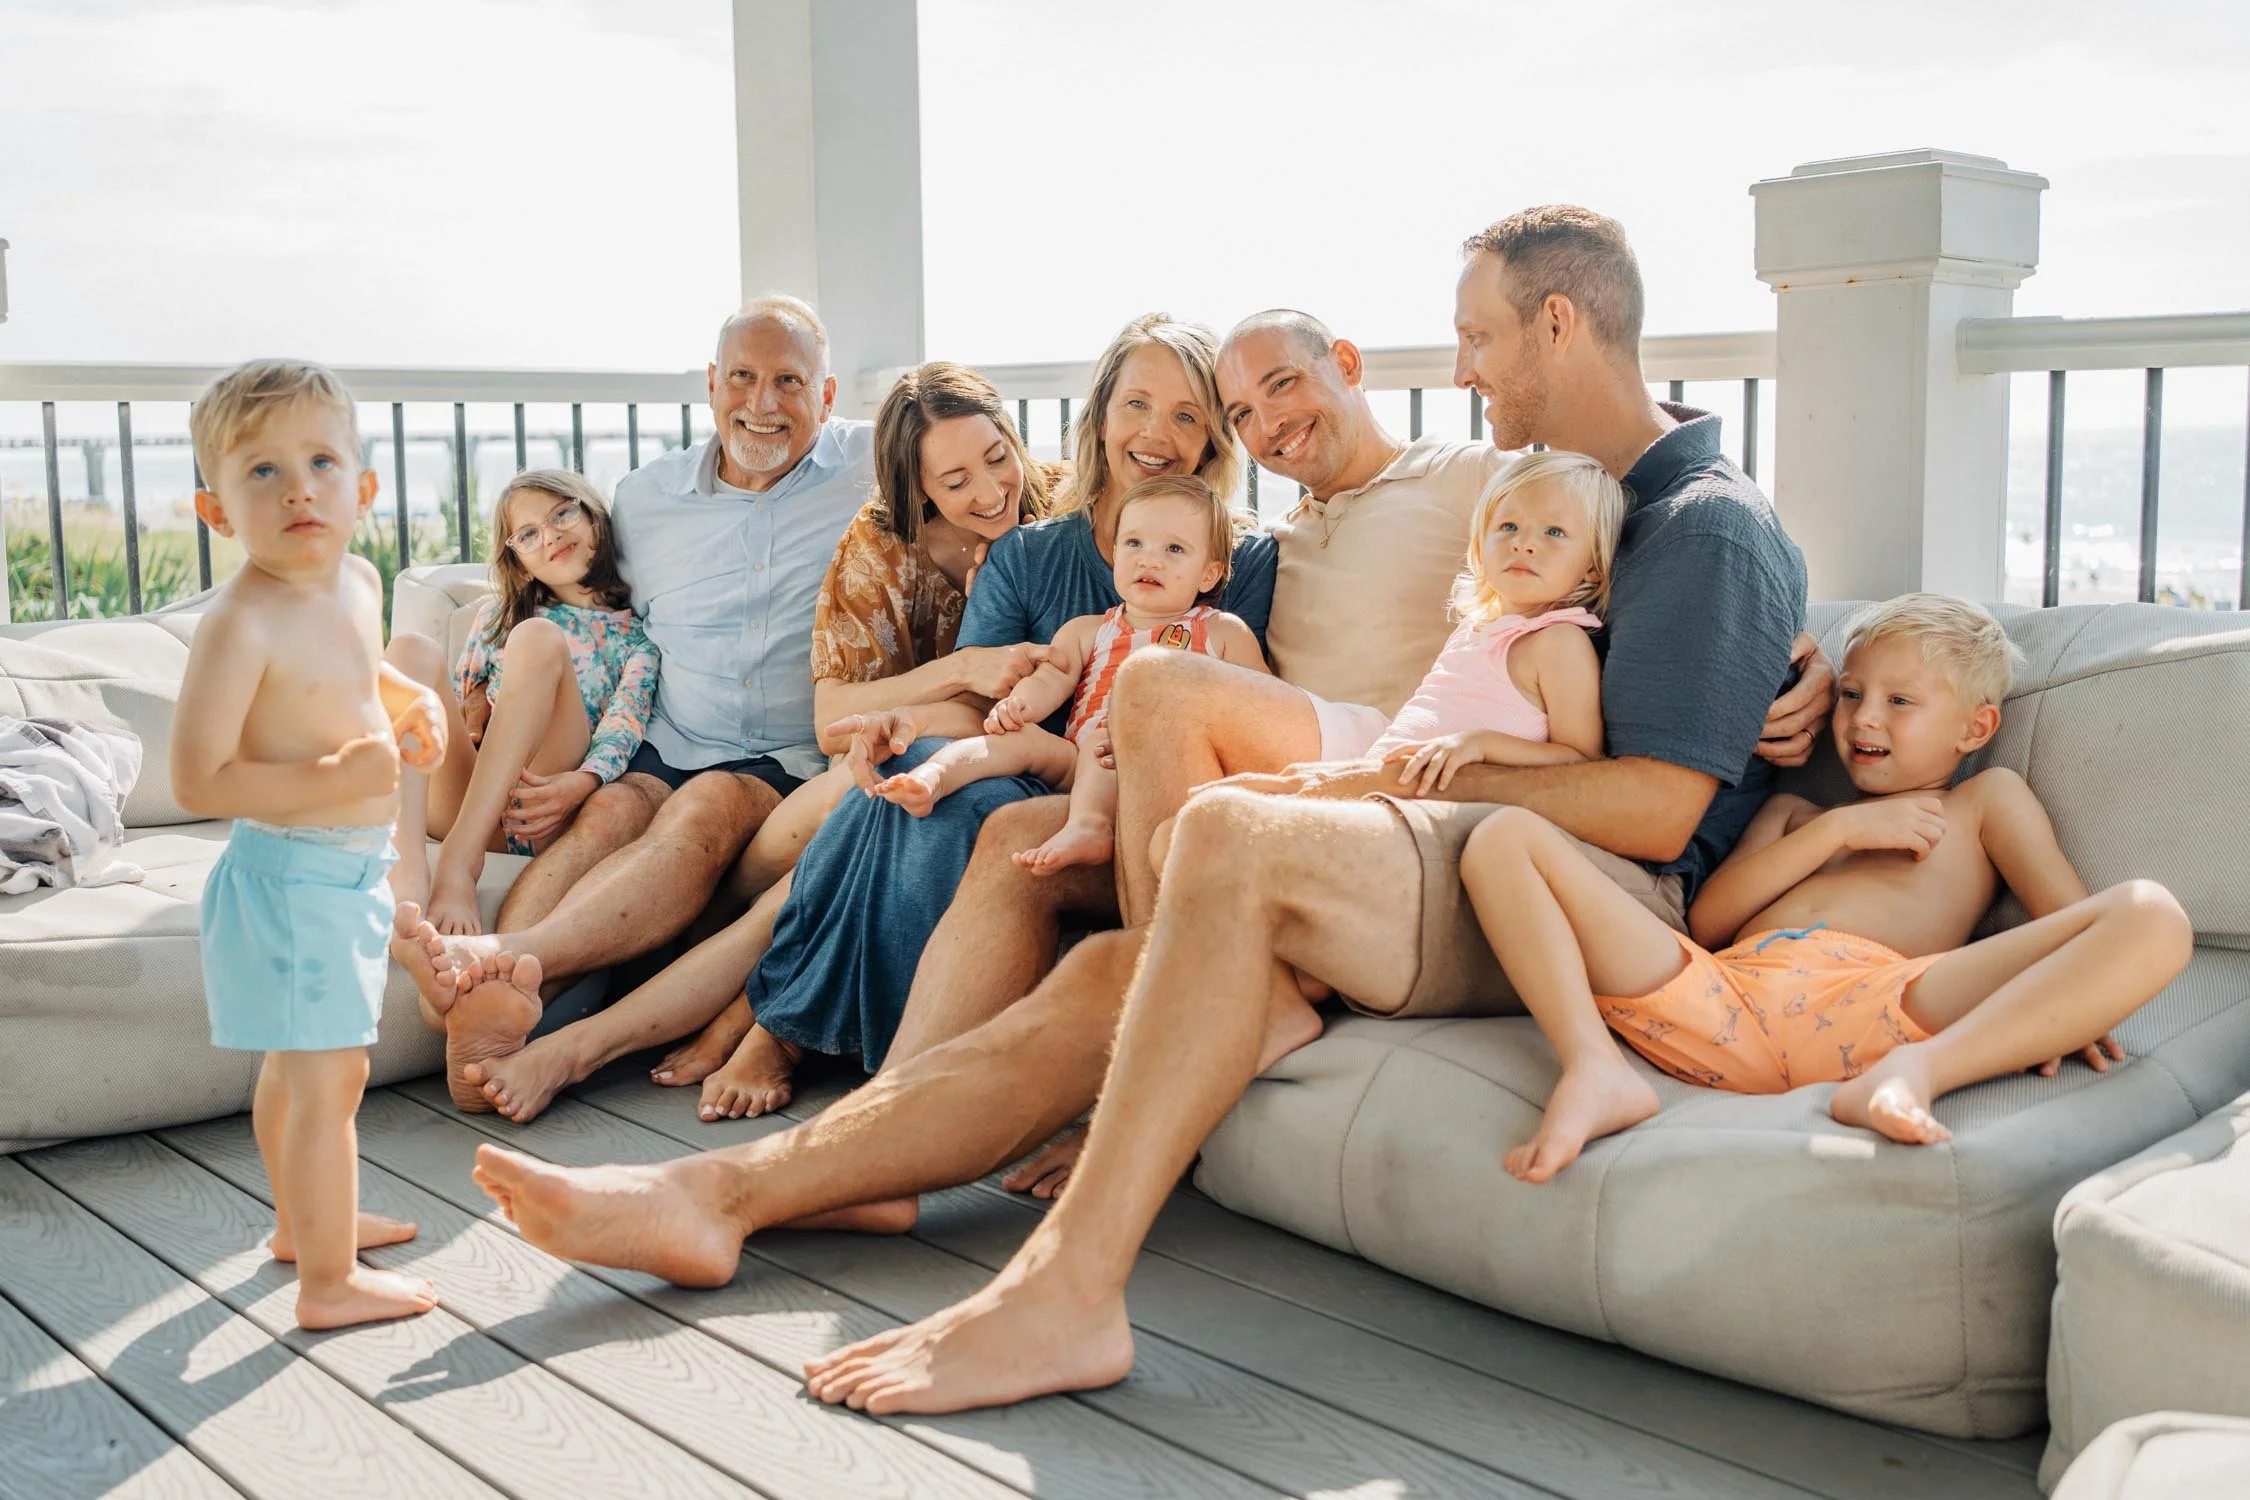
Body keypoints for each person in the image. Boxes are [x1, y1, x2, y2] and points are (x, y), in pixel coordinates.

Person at [462, 222, 1830, 1375]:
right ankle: (729, 1193)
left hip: (1551, 880)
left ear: (1551, 326)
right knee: (1082, 919)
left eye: (1472, 339)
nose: (1458, 367)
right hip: (1428, 830)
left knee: (1191, 805)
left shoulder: (1700, 516)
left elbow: (1656, 814)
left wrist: (1800, 664)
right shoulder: (1578, 500)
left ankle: (1062, 1294)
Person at [670, 313, 1277, 1091]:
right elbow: (986, 703)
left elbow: (1243, 702)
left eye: (1188, 413)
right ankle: (785, 1032)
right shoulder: (1026, 550)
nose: (1158, 431)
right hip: (1025, 763)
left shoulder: (1243, 559)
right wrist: (906, 724)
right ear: (1098, 415)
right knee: (912, 780)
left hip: (1137, 785)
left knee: (926, 795)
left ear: (1215, 439)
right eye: (1137, 404)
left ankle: (776, 1030)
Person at [457, 362, 1059, 1124]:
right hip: (885, 751)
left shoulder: (1064, 524)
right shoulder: (874, 539)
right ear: (918, 485)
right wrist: (957, 678)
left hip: (921, 762)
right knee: (650, 817)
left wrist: (925, 721)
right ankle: (503, 990)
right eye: (954, 478)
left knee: (806, 848)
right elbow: (844, 710)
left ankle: (698, 1028)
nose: (987, 490)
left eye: (998, 457)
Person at [1462, 594, 2192, 1183]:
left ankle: (1916, 1076)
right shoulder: (1795, 814)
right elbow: (1708, 924)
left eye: (1900, 701)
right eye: (1850, 693)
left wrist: (2068, 1012)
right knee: (1501, 837)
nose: (1863, 717)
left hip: (1883, 1008)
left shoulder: (1985, 803)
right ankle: (1595, 1068)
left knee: (2152, 914)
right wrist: (1835, 834)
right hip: (1721, 1001)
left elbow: (2071, 925)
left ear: (1976, 727)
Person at [389, 295, 874, 1111]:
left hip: (779, 762)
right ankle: (488, 1012)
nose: (762, 403)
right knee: (608, 818)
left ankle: (512, 956)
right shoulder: (646, 499)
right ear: (712, 385)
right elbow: (587, 604)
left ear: (826, 397)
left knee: (708, 806)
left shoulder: (873, 465)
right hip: (663, 740)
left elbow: (988, 460)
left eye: (789, 382)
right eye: (744, 379)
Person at [173, 359, 447, 1329]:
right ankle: (326, 1283)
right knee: (328, 1078)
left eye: (322, 461)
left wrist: (408, 701)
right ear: (215, 511)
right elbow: (198, 779)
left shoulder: (355, 581)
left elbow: (357, 672)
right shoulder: (239, 622)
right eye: (261, 472)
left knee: (301, 1071)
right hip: (290, 877)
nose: (298, 488)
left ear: (363, 488)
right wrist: (331, 782)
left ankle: (302, 1227)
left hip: (347, 875)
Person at [873, 475, 1271, 875]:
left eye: (1174, 548)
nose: (1150, 559)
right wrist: (1020, 705)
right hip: (1079, 761)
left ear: (1209, 574)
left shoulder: (1220, 631)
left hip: (1168, 767)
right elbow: (1050, 679)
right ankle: (934, 778)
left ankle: (1090, 826)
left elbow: (1265, 706)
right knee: (1015, 739)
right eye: (1134, 543)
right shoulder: (1088, 630)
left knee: (1105, 735)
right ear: (1116, 553)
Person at [386, 469, 658, 941]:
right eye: (529, 534)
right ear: (521, 564)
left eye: (562, 514)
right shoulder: (496, 618)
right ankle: (405, 866)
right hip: (470, 800)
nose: (551, 535)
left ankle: (460, 862)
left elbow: (625, 722)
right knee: (410, 649)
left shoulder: (637, 636)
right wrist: (469, 717)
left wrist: (586, 780)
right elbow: (457, 701)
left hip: (539, 803)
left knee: (536, 639)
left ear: (594, 517)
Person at [1369, 449, 1623, 796]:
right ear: (1480, 542)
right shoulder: (1474, 628)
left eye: (1554, 531)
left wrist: (1481, 745)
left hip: (1435, 813)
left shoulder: (1558, 642)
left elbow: (1580, 759)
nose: (1523, 543)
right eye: (1508, 526)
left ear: (1592, 566)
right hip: (1379, 784)